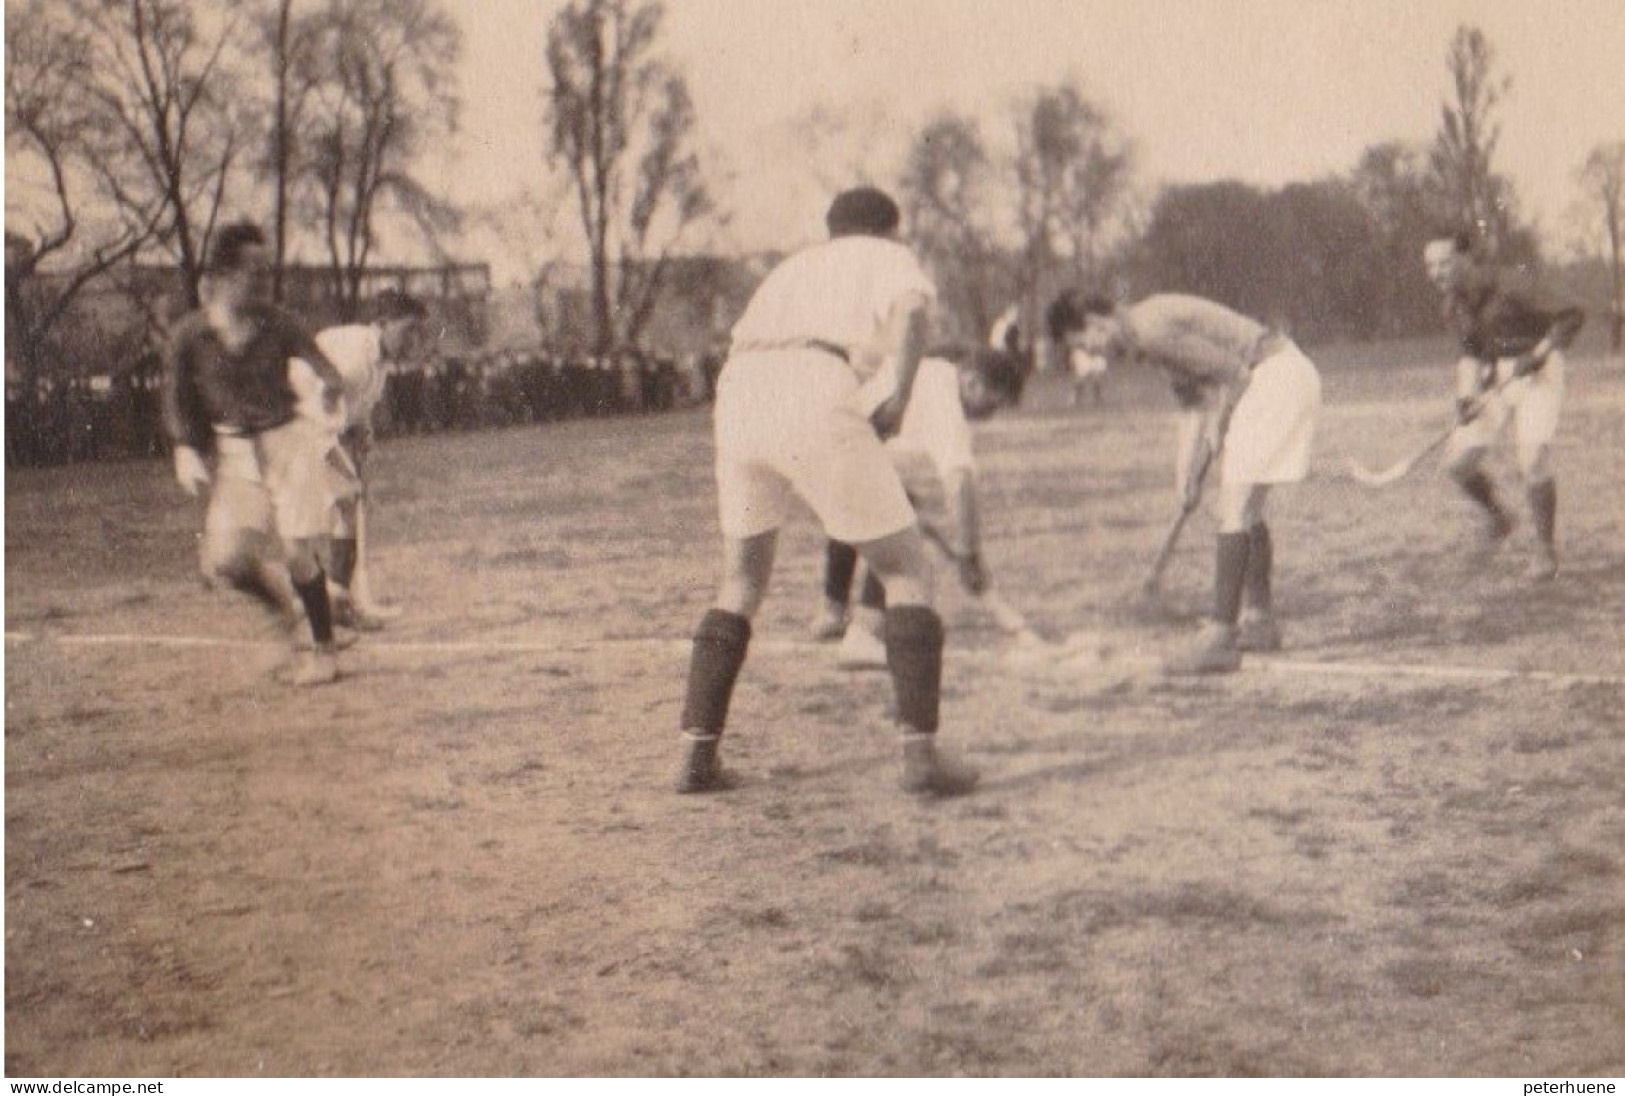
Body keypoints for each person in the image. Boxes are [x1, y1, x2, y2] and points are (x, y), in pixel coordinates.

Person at [673, 186, 979, 797]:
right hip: (811, 382)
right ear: (889, 229)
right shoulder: (886, 256)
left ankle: (694, 755)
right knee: (907, 569)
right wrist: (900, 395)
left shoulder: (794, 266)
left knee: (740, 581)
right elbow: (913, 316)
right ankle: (920, 757)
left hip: (738, 390)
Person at [1071, 294, 1322, 675]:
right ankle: (1259, 620)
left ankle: (1221, 637)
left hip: (1273, 376)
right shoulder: (1145, 338)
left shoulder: (1152, 331)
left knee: (1235, 508)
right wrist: (1186, 476)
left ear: (1098, 320)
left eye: (1084, 340)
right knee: (1244, 507)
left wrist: (1212, 444)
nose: (1092, 351)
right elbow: (1192, 407)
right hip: (1277, 377)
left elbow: (1236, 376)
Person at [162, 221, 353, 686]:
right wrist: (185, 448)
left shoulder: (278, 321)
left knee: (296, 551)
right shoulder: (190, 335)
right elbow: (175, 397)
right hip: (236, 452)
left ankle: (324, 654)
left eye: (268, 270)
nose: (264, 279)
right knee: (227, 559)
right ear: (224, 273)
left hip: (287, 442)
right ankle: (287, 613)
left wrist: (329, 391)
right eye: (254, 270)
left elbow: (326, 368)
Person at [810, 346, 1028, 669]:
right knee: (898, 524)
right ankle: (865, 635)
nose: (988, 416)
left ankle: (832, 609)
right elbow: (961, 484)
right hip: (840, 443)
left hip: (820, 438)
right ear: (973, 382)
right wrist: (969, 554)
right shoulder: (947, 403)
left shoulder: (933, 370)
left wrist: (959, 550)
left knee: (884, 500)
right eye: (991, 404)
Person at [1422, 232, 1585, 580]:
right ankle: (1499, 517)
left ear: (1466, 259)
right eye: (1431, 266)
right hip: (1498, 376)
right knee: (1457, 464)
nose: (1437, 272)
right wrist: (1466, 398)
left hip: (1539, 370)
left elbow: (1571, 315)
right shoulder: (1452, 305)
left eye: (1445, 262)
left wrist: (1538, 353)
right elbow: (1470, 353)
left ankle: (1545, 550)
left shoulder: (1511, 285)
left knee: (1533, 455)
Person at [293, 291, 429, 628]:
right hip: (295, 422)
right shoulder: (354, 358)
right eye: (408, 329)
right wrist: (347, 473)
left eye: (418, 332)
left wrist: (363, 428)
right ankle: (330, 602)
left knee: (346, 505)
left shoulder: (378, 359)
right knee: (340, 501)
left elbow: (356, 406)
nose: (413, 339)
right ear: (383, 324)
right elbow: (322, 416)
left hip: (316, 425)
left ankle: (340, 600)